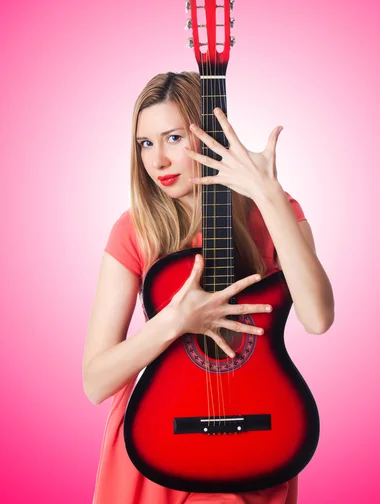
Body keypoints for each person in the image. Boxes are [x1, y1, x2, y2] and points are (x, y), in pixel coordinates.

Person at [83, 71, 334, 503]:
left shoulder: (273, 213)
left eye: (174, 138)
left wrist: (268, 194)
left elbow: (318, 318)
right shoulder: (134, 230)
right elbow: (95, 382)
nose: (157, 160)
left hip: (254, 432)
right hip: (159, 437)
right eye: (146, 144)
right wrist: (176, 321)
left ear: (209, 133)